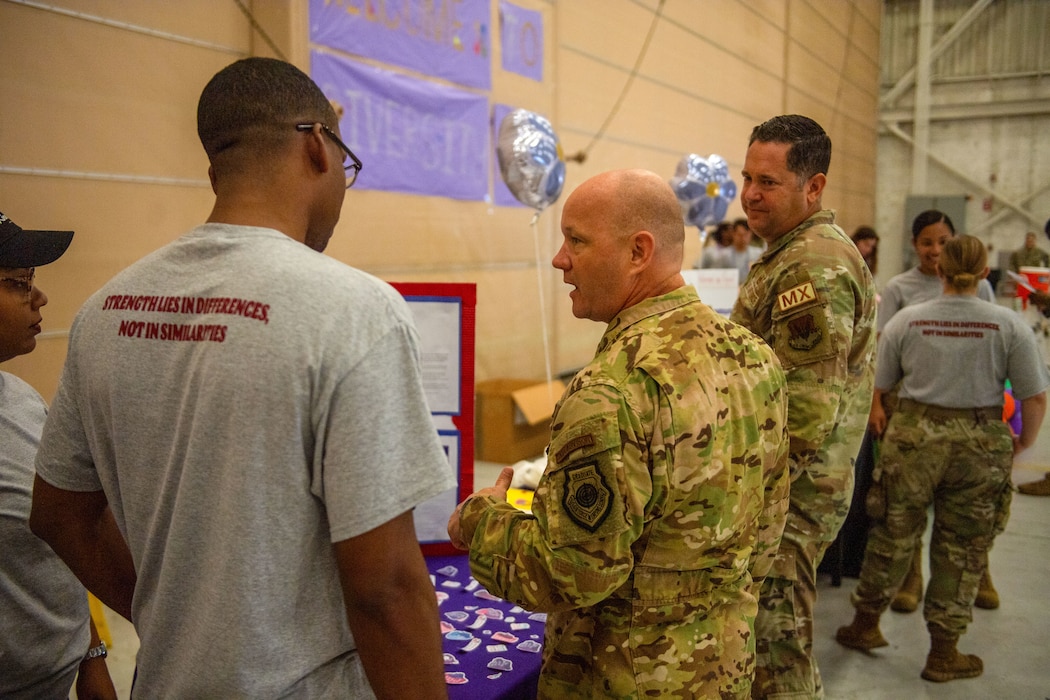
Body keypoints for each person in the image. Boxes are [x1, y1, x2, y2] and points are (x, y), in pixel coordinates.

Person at [29, 57, 454, 698]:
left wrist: (169, 616)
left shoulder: (104, 312)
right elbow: (385, 587)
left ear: (215, 172)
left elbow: (60, 515)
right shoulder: (354, 311)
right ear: (318, 145)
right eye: (349, 167)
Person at [448, 168, 791, 698]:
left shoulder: (610, 390)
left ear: (638, 252)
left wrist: (483, 519)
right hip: (725, 665)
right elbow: (769, 525)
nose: (560, 259)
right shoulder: (754, 355)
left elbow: (571, 573)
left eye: (576, 241)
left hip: (625, 675)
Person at [835, 235, 1049, 682]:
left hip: (913, 439)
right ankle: (943, 653)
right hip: (979, 442)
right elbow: (1035, 398)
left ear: (940, 271)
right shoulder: (1008, 325)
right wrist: (1022, 444)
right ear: (985, 274)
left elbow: (880, 385)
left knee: (892, 533)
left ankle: (864, 625)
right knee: (962, 546)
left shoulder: (907, 322)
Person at [729, 114, 877, 699]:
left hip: (791, 497)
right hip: (781, 491)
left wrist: (745, 496)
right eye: (747, 176)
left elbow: (807, 416)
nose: (750, 193)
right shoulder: (789, 252)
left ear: (813, 187)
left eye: (768, 182)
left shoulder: (813, 265)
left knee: (776, 647)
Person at [0, 212, 117, 700]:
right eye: (18, 283)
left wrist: (90, 659)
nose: (40, 297)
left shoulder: (20, 398)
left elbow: (60, 539)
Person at [873, 210, 998, 614]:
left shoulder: (984, 292)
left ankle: (981, 572)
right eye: (927, 242)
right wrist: (877, 403)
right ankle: (912, 577)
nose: (935, 250)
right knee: (908, 502)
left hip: (972, 406)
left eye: (943, 242)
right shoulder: (899, 289)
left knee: (970, 508)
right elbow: (881, 348)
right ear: (914, 245)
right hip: (912, 409)